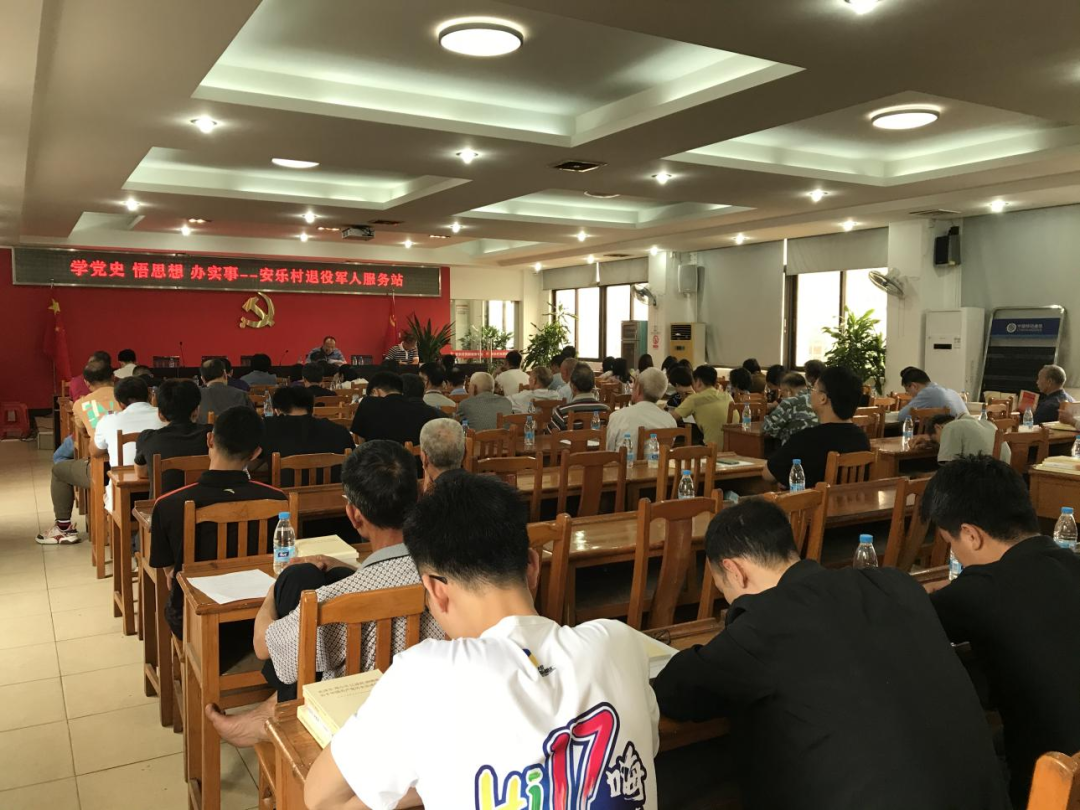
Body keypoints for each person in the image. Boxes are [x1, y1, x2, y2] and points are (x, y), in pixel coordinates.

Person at [303, 473, 660, 810]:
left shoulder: (426, 677)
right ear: (533, 567)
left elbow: (320, 797)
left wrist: (426, 774)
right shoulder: (620, 643)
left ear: (436, 590)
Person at [653, 498, 1010, 810]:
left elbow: (674, 690)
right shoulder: (896, 583)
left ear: (734, 570)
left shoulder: (764, 625)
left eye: (723, 588)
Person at [206, 440, 443, 747]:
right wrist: (352, 570)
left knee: (297, 589)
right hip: (429, 713)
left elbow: (263, 646)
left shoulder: (333, 601)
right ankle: (267, 713)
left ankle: (272, 717)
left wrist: (271, 595)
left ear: (354, 515)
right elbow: (391, 580)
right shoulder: (449, 576)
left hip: (345, 724)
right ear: (420, 495)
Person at [923, 455, 1080, 806]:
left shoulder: (980, 590)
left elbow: (904, 620)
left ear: (971, 535)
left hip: (1050, 786)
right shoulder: (1070, 562)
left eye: (952, 543)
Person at [149, 407, 287, 638]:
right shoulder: (278, 500)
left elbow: (170, 574)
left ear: (210, 439)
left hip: (193, 618)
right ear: (255, 453)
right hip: (265, 616)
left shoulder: (168, 504)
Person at [37, 360, 119, 544]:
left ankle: (63, 528)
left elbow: (82, 432)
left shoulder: (83, 404)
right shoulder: (127, 399)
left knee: (58, 470)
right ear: (113, 377)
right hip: (136, 467)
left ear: (87, 383)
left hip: (103, 469)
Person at [764, 365, 871, 488]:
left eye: (813, 389)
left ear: (823, 398)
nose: (810, 393)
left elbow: (768, 474)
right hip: (853, 500)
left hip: (814, 500)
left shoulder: (806, 439)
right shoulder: (862, 439)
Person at [90, 376, 162, 512]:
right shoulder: (164, 416)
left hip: (124, 496)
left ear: (120, 403)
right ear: (148, 394)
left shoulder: (108, 421)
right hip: (161, 490)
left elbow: (95, 451)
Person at [258, 387, 354, 485]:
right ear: (312, 409)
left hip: (283, 493)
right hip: (335, 493)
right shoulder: (340, 431)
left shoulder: (267, 428)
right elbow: (353, 465)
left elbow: (253, 460)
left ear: (277, 411)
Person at [134, 378, 210, 496]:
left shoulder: (147, 438)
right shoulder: (212, 435)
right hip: (207, 504)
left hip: (164, 506)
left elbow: (141, 473)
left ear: (160, 414)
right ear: (196, 411)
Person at [350, 371, 440, 445]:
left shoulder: (368, 402)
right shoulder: (427, 411)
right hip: (415, 461)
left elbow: (361, 442)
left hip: (378, 459)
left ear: (375, 392)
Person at [605, 367, 677, 453]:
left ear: (638, 388)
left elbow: (609, 452)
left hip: (625, 462)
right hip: (658, 462)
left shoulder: (617, 417)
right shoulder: (670, 421)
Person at [908, 412, 1010, 464]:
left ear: (938, 427)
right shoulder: (988, 424)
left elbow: (949, 470)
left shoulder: (949, 427)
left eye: (936, 440)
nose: (940, 444)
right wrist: (931, 444)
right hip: (1005, 477)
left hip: (982, 481)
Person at [673, 365, 735, 449]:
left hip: (712, 450)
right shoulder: (728, 396)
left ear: (698, 382)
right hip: (735, 449)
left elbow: (672, 418)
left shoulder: (694, 399)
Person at [762, 371, 818, 445]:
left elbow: (768, 428)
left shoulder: (789, 402)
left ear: (788, 391)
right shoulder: (818, 398)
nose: (782, 397)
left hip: (795, 448)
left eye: (782, 393)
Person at [550, 363, 609, 432]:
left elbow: (549, 434)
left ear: (572, 386)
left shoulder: (562, 412)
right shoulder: (606, 410)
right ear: (593, 385)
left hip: (570, 439)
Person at [896, 366, 967, 421]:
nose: (908, 394)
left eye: (907, 391)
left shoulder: (927, 392)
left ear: (914, 386)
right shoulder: (950, 391)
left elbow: (902, 416)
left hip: (954, 433)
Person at [198, 358, 253, 423]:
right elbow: (252, 421)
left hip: (206, 429)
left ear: (203, 379)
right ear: (225, 374)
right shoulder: (242, 395)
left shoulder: (197, 395)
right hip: (236, 429)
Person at [419, 418, 467, 491]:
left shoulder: (431, 497)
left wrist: (428, 492)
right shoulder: (484, 486)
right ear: (464, 453)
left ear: (424, 458)